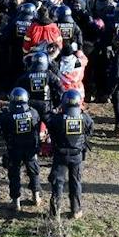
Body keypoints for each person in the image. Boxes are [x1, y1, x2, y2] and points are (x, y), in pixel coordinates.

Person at [47, 89, 93, 220]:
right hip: (77, 156)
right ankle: (76, 210)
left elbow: (48, 120)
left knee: (58, 183)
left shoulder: (56, 119)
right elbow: (90, 129)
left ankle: (55, 212)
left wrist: (55, 110)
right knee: (76, 183)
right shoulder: (85, 118)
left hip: (60, 156)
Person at [0, 87, 42, 213]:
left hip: (14, 149)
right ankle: (36, 196)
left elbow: (2, 129)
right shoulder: (33, 112)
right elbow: (37, 126)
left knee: (14, 174)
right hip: (30, 149)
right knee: (33, 172)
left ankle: (16, 201)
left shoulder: (8, 115)